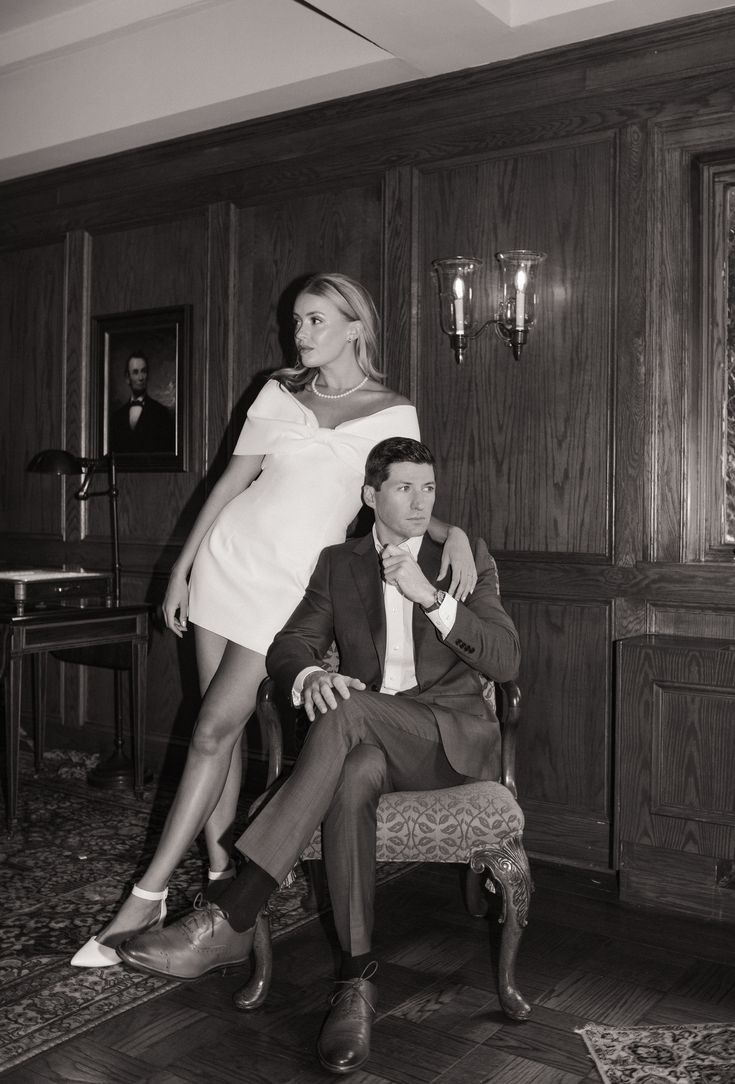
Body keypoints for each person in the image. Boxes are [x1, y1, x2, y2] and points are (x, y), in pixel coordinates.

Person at [71, 274, 478, 968]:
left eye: (317, 320)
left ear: (355, 327)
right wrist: (181, 569)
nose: (302, 334)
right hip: (228, 563)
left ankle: (147, 895)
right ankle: (222, 887)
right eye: (296, 322)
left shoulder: (392, 412)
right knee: (218, 734)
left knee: (209, 729)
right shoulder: (277, 392)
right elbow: (229, 484)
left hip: (289, 591)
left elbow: (396, 498)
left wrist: (453, 531)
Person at [116, 436, 520, 1076]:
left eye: (430, 489)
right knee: (353, 759)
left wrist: (432, 599)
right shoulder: (341, 562)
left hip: (449, 742)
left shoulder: (462, 561)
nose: (421, 503)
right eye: (405, 488)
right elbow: (291, 642)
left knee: (350, 712)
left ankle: (238, 910)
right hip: (368, 744)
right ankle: (357, 983)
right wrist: (308, 677)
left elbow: (505, 660)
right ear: (371, 495)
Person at [109, 352, 176, 454]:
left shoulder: (161, 414)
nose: (141, 377)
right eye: (135, 372)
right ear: (127, 378)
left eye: (143, 371)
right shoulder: (116, 417)